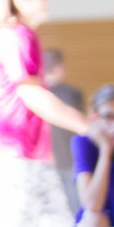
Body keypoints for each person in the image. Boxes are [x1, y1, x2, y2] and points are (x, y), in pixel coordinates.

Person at [0, 0, 93, 227]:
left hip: (32, 157)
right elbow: (31, 93)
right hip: (16, 158)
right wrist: (85, 125)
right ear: (20, 0)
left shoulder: (18, 36)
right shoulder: (17, 36)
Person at [44, 49, 85, 215]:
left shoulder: (71, 93)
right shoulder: (41, 94)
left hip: (66, 158)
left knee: (73, 204)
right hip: (53, 159)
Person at [71, 84, 114, 227]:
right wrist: (105, 151)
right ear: (94, 118)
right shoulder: (83, 143)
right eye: (108, 117)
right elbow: (91, 204)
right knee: (94, 219)